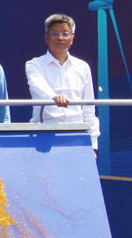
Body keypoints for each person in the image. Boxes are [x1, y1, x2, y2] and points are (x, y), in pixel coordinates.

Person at [26, 13, 99, 145]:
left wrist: (93, 144)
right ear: (46, 37)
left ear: (72, 38)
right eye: (55, 33)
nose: (60, 38)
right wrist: (54, 97)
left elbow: (89, 110)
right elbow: (36, 85)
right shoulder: (34, 64)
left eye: (65, 33)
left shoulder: (82, 67)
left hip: (77, 135)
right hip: (44, 133)